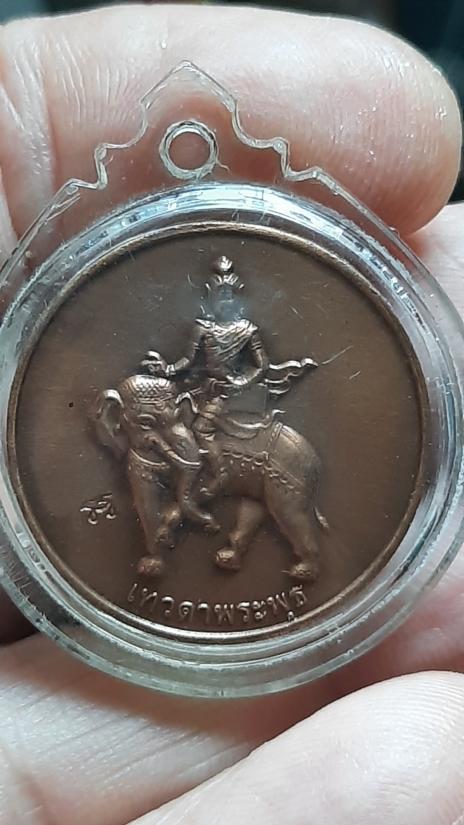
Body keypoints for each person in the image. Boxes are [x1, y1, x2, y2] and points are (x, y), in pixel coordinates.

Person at [0, 5, 463, 823]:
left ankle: (207, 506)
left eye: (223, 290)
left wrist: (258, 377)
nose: (217, 299)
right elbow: (187, 366)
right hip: (207, 395)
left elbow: (246, 370)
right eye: (211, 291)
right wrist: (169, 374)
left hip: (243, 401)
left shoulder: (244, 332)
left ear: (232, 295)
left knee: (209, 440)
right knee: (188, 425)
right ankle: (202, 514)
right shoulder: (204, 331)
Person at [164, 255, 269, 496]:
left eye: (229, 295)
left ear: (237, 297)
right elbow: (188, 360)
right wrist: (166, 370)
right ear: (210, 298)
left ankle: (220, 471)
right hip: (205, 390)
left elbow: (262, 365)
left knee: (201, 428)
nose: (225, 301)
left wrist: (240, 383)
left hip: (229, 393)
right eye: (220, 296)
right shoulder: (202, 329)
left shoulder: (247, 330)